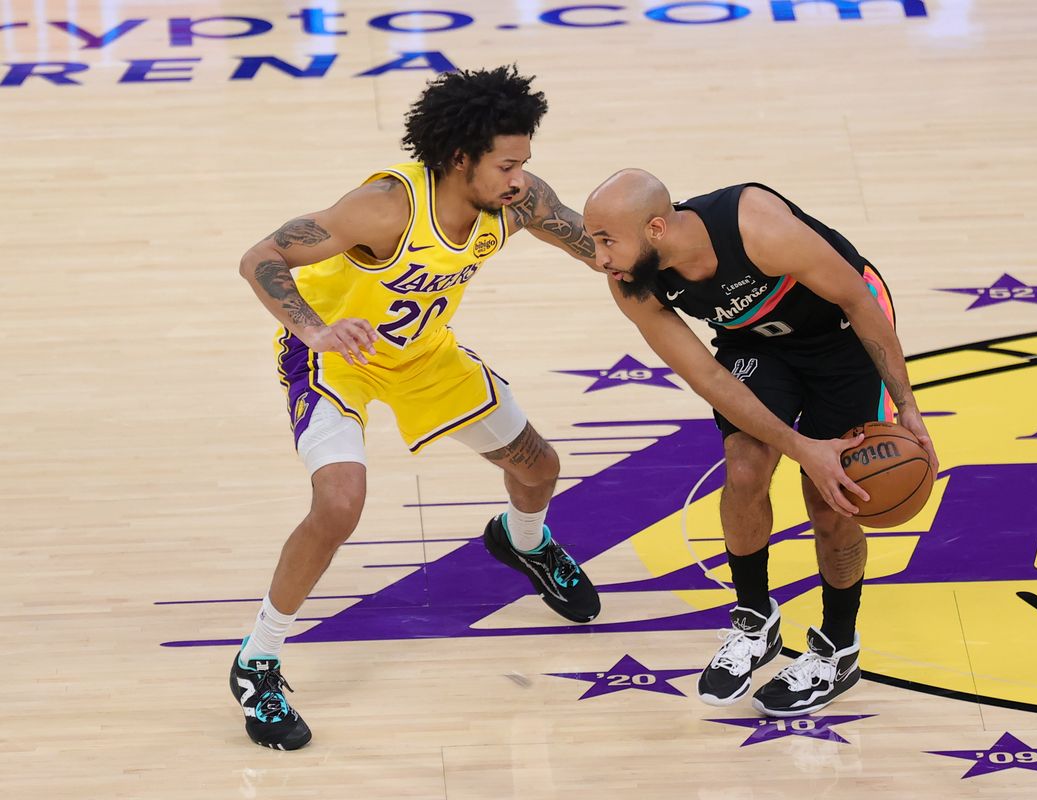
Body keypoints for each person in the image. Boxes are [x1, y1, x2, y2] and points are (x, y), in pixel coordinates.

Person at [231, 66, 600, 750]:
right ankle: (257, 660)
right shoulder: (386, 207)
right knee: (340, 504)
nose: (520, 177)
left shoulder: (516, 202)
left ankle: (523, 543)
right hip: (337, 359)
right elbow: (261, 258)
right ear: (460, 158)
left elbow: (596, 246)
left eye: (525, 162)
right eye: (507, 163)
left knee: (539, 468)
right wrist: (314, 329)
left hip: (424, 357)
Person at [582, 169, 938, 718]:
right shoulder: (632, 279)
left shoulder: (756, 227)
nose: (599, 256)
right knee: (745, 469)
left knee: (833, 496)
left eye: (607, 240)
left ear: (656, 228)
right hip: (759, 346)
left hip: (843, 337)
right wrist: (800, 446)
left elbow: (858, 299)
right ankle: (755, 622)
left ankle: (838, 647)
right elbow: (709, 379)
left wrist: (907, 406)